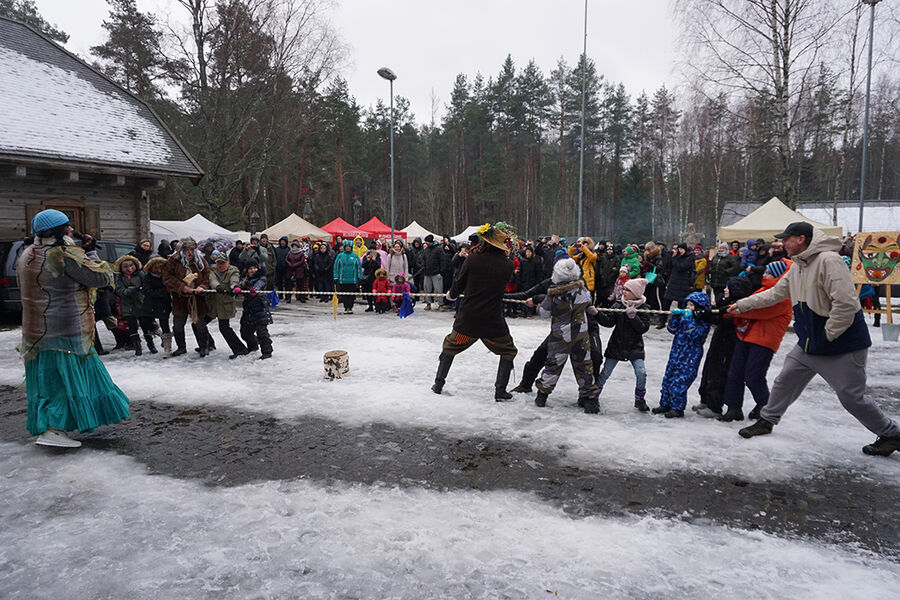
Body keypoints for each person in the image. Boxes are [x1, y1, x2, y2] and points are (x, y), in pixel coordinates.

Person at [730, 222, 900, 455]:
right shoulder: (798, 266)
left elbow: (847, 304)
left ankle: (891, 434)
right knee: (785, 380)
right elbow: (775, 293)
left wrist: (828, 335)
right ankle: (766, 420)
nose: (781, 244)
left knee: (852, 398)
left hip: (842, 344)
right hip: (810, 342)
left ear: (801, 239)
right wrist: (740, 306)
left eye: (785, 239)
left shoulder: (829, 261)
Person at [18, 209, 129, 448]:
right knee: (65, 380)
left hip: (37, 333)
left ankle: (53, 426)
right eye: (68, 226)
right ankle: (53, 429)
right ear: (61, 231)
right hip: (68, 331)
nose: (71, 230)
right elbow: (99, 279)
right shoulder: (63, 256)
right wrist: (89, 251)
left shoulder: (27, 254)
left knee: (48, 380)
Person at [432, 222, 517, 401]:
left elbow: (459, 282)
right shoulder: (507, 265)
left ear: (484, 242)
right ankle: (500, 391)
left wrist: (451, 295)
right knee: (508, 351)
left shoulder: (473, 259)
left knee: (450, 346)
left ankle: (438, 384)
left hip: (468, 320)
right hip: (492, 323)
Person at [718, 260, 793, 422]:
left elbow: (760, 311)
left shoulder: (782, 295)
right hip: (746, 335)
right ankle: (733, 407)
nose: (764, 275)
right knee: (735, 373)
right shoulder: (763, 289)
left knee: (754, 376)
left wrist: (733, 311)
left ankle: (764, 406)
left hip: (764, 340)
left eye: (768, 273)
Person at [532, 257, 600, 412]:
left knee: (553, 365)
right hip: (581, 335)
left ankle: (542, 394)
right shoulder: (583, 290)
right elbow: (588, 302)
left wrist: (537, 307)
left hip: (560, 337)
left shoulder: (553, 295)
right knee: (584, 366)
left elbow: (543, 312)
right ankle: (589, 399)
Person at [693, 276, 755, 418]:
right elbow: (717, 317)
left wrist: (709, 315)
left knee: (718, 373)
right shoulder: (726, 303)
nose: (725, 290)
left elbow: (723, 319)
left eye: (728, 287)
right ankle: (705, 399)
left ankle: (715, 406)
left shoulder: (738, 308)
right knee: (708, 368)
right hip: (718, 341)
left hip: (728, 345)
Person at [595, 278, 653, 412]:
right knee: (605, 373)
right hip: (617, 345)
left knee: (641, 372)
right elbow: (609, 322)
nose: (624, 291)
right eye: (624, 289)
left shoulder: (644, 308)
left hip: (635, 347)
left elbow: (643, 328)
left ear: (636, 293)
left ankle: (639, 398)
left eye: (628, 290)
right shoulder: (618, 305)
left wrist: (634, 318)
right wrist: (597, 314)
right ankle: (594, 395)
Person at [653, 291, 711, 418]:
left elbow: (695, 335)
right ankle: (665, 403)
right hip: (676, 354)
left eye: (691, 305)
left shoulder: (703, 323)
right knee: (668, 378)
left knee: (680, 381)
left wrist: (688, 318)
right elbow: (672, 330)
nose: (688, 308)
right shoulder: (683, 318)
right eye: (687, 305)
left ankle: (677, 408)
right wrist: (675, 317)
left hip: (690, 357)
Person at [161, 236, 211, 357]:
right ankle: (181, 347)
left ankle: (204, 347)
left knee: (200, 325)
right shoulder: (173, 261)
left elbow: (207, 275)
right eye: (187, 249)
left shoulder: (200, 260)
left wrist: (203, 286)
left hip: (197, 299)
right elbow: (167, 278)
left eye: (191, 249)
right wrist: (181, 287)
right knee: (178, 326)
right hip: (180, 299)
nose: (189, 252)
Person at [207, 253, 249, 359]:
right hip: (212, 304)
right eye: (218, 263)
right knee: (198, 323)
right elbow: (212, 280)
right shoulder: (212, 269)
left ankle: (240, 349)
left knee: (224, 328)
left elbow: (234, 280)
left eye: (223, 263)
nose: (220, 265)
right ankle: (207, 344)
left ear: (228, 263)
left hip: (225, 304)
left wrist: (234, 287)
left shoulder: (233, 270)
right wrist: (218, 286)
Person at [113, 255, 156, 355]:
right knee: (132, 327)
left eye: (131, 265)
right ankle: (137, 347)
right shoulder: (119, 277)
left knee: (145, 326)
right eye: (125, 267)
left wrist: (143, 290)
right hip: (128, 306)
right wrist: (134, 289)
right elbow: (121, 291)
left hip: (141, 304)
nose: (129, 269)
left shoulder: (140, 274)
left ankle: (151, 344)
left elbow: (146, 285)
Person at [236, 258, 273, 359]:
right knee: (245, 332)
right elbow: (240, 283)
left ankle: (267, 352)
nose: (253, 270)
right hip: (248, 308)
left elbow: (260, 284)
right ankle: (253, 346)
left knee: (262, 332)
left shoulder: (261, 277)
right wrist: (238, 287)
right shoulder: (245, 278)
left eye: (254, 268)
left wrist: (254, 290)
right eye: (250, 268)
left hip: (260, 308)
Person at [142, 257, 174, 357]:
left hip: (164, 304)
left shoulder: (166, 276)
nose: (159, 271)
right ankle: (161, 336)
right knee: (147, 323)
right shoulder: (147, 277)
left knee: (165, 324)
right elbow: (148, 291)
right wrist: (164, 291)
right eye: (156, 268)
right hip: (150, 304)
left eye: (161, 268)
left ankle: (167, 347)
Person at [333, 240, 363, 314]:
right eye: (346, 247)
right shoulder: (340, 256)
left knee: (352, 295)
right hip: (342, 279)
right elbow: (336, 267)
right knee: (344, 295)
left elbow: (359, 267)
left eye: (349, 247)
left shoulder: (355, 256)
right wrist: (335, 277)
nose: (348, 248)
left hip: (352, 280)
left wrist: (360, 277)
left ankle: (350, 307)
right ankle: (346, 307)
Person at [422, 234, 448, 311]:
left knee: (439, 289)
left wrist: (441, 271)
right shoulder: (426, 250)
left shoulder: (439, 249)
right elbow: (423, 259)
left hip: (436, 273)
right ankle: (428, 304)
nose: (426, 243)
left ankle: (440, 304)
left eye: (427, 241)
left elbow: (443, 261)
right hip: (427, 273)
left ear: (430, 241)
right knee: (427, 289)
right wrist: (423, 267)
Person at [361, 248, 381, 312]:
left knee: (375, 293)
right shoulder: (366, 256)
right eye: (371, 249)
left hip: (375, 277)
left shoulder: (378, 257)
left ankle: (376, 306)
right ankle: (370, 306)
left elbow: (378, 266)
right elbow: (363, 265)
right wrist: (367, 260)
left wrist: (374, 260)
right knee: (368, 292)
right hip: (367, 278)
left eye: (373, 249)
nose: (372, 251)